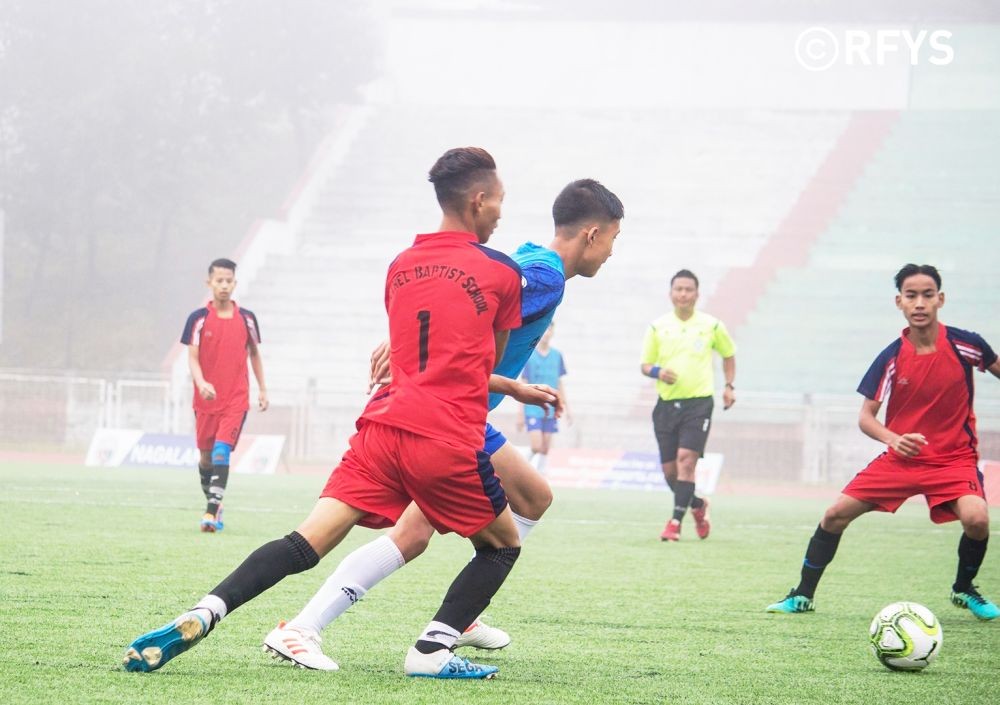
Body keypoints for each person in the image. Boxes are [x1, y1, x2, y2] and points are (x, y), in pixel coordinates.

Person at [124, 146, 559, 680]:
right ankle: (432, 652)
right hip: (445, 435)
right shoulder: (501, 272)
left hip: (380, 427)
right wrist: (512, 385)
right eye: (499, 203)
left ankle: (204, 611)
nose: (500, 214)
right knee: (500, 545)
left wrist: (505, 385)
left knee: (304, 541)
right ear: (479, 199)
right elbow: (478, 363)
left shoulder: (401, 265)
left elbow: (419, 358)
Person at [261, 179, 624, 671]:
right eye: (613, 242)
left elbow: (461, 293)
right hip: (449, 417)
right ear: (593, 235)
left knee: (529, 498)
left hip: (460, 415)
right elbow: (468, 306)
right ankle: (309, 628)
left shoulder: (530, 257)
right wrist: (410, 344)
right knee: (425, 533)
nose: (610, 254)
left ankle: (458, 616)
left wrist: (407, 338)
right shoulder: (545, 276)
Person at [767, 264, 1000, 620]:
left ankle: (963, 589)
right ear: (899, 302)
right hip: (901, 461)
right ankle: (802, 595)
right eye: (911, 296)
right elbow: (865, 417)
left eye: (926, 295)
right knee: (834, 516)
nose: (919, 303)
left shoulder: (966, 344)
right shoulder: (891, 356)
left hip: (954, 460)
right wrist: (894, 439)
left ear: (941, 299)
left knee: (977, 518)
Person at [640, 269, 736, 542]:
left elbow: (729, 355)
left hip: (699, 404)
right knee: (671, 473)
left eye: (688, 289)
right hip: (666, 406)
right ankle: (697, 504)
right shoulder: (658, 327)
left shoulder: (712, 325)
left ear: (697, 294)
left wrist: (729, 386)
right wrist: (658, 372)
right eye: (678, 289)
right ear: (671, 293)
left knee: (686, 462)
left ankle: (674, 524)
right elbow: (645, 365)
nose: (683, 294)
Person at [180, 258, 269, 532]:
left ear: (235, 283)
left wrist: (263, 389)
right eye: (219, 280)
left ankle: (209, 513)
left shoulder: (247, 318)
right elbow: (192, 357)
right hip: (205, 401)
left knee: (221, 452)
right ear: (209, 283)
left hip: (235, 400)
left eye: (228, 281)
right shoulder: (197, 319)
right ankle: (216, 504)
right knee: (206, 459)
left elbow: (254, 353)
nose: (224, 285)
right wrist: (201, 381)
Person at [518, 321, 571, 474]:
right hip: (533, 407)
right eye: (545, 329)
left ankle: (540, 475)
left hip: (551, 407)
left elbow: (559, 382)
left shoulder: (557, 355)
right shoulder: (530, 355)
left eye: (550, 329)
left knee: (545, 448)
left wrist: (567, 408)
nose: (547, 333)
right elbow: (523, 384)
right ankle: (520, 470)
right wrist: (520, 414)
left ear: (553, 332)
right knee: (536, 446)